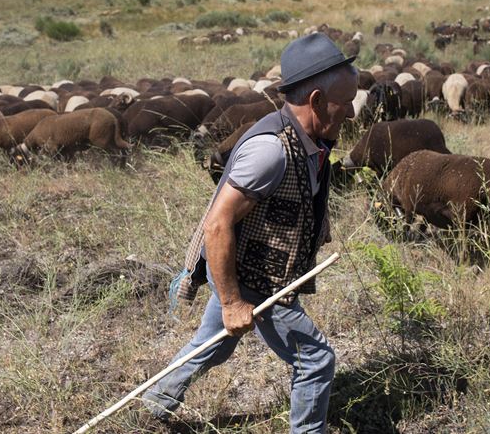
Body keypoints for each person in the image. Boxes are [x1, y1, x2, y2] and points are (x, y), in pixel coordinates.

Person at [143, 32, 358, 433]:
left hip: (250, 269)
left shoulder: (308, 139)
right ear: (316, 100)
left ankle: (154, 402)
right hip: (256, 279)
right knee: (316, 360)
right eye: (345, 102)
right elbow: (218, 224)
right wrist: (231, 301)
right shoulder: (271, 151)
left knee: (214, 345)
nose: (351, 112)